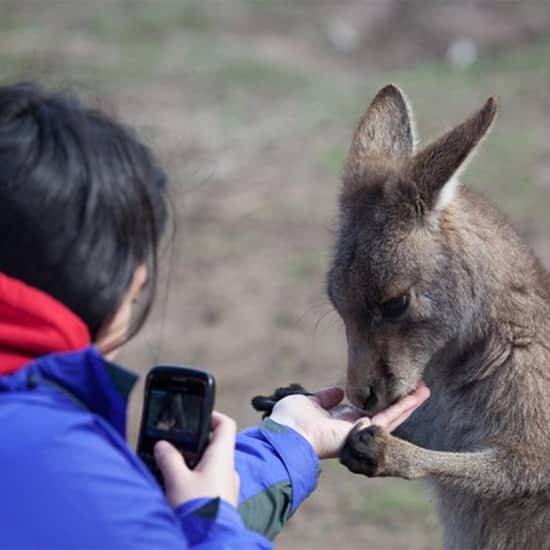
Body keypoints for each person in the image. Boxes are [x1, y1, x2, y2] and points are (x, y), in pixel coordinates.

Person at [0, 82, 430, 549]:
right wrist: (211, 521)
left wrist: (292, 442)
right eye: (138, 287)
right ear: (114, 281)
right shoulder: (60, 469)